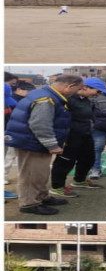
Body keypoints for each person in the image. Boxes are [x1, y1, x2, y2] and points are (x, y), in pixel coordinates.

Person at [5, 74, 83, 215]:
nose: (76, 93)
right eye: (77, 89)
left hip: (34, 141)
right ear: (69, 86)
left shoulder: (44, 93)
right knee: (31, 175)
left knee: (40, 173)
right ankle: (29, 204)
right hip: (31, 142)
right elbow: (40, 125)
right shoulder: (46, 100)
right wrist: (52, 145)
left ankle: (41, 196)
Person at [49, 78, 106, 197]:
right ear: (85, 87)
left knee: (89, 157)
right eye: (98, 91)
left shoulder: (87, 100)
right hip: (70, 134)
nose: (99, 94)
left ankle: (80, 180)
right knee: (66, 161)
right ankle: (57, 186)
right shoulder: (68, 99)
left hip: (85, 132)